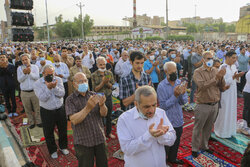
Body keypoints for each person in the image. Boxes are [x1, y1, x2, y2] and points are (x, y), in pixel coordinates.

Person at [117, 85, 176, 167]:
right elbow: (127, 149)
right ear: (136, 104)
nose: (151, 110)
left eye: (154, 105)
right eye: (147, 106)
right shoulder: (124, 119)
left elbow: (172, 140)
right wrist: (149, 136)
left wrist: (161, 135)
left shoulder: (160, 113)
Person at [65, 72, 108, 167]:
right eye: (80, 81)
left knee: (103, 164)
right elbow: (74, 120)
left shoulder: (94, 95)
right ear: (74, 84)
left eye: (85, 80)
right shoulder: (70, 100)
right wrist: (88, 108)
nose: (83, 83)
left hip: (99, 138)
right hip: (83, 142)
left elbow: (104, 114)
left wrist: (102, 105)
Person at [191, 51, 227, 158]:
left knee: (208, 127)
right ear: (203, 60)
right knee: (198, 127)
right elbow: (202, 86)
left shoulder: (216, 70)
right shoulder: (198, 72)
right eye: (207, 58)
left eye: (211, 58)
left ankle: (205, 146)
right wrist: (216, 78)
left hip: (214, 104)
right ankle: (194, 148)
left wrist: (221, 77)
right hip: (203, 104)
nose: (210, 60)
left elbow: (222, 86)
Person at [33, 65, 69, 159]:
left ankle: (63, 147)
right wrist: (48, 88)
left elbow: (62, 94)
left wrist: (54, 87)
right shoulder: (37, 83)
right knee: (49, 132)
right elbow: (42, 98)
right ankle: (52, 150)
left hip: (60, 109)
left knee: (63, 129)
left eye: (52, 74)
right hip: (47, 111)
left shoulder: (58, 80)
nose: (51, 76)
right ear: (43, 73)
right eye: (48, 74)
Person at [157, 61, 188, 164]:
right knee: (165, 144)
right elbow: (163, 106)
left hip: (178, 118)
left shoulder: (179, 83)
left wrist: (182, 94)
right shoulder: (161, 86)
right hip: (167, 120)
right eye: (171, 72)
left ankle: (172, 158)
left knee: (176, 141)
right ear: (166, 72)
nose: (174, 74)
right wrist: (174, 95)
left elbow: (184, 102)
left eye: (175, 71)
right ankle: (163, 162)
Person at [214, 51, 244, 138]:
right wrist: (233, 77)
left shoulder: (234, 66)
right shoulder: (222, 67)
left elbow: (236, 80)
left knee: (232, 110)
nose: (235, 60)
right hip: (225, 93)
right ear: (227, 57)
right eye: (233, 58)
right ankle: (221, 131)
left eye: (235, 58)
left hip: (233, 92)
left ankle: (230, 131)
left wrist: (237, 77)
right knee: (224, 112)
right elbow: (222, 83)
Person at [91, 57, 116, 139]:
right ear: (97, 65)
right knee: (100, 117)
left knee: (109, 116)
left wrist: (107, 82)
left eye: (104, 64)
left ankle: (109, 132)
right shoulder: (94, 75)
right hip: (99, 98)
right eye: (100, 64)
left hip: (108, 97)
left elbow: (112, 86)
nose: (102, 66)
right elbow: (95, 89)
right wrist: (103, 82)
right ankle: (101, 134)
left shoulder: (109, 73)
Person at [17, 54, 41, 128]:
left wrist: (29, 73)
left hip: (34, 91)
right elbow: (19, 80)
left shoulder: (35, 67)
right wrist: (24, 73)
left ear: (29, 59)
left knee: (37, 108)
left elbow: (37, 77)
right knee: (27, 109)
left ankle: (39, 121)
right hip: (25, 92)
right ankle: (31, 122)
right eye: (23, 60)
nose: (25, 61)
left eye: (26, 59)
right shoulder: (19, 68)